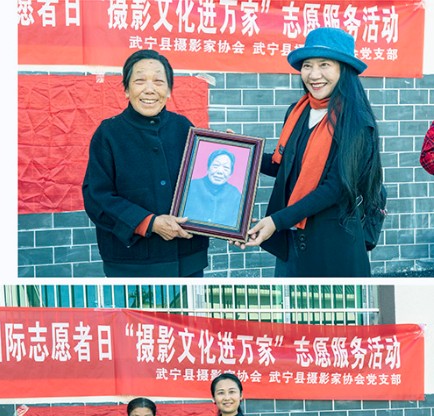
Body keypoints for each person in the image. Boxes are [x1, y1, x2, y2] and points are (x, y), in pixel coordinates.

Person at [238, 27, 383, 277]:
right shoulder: (297, 112)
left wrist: (276, 221)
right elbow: (284, 167)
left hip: (333, 247)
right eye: (307, 65)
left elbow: (336, 187)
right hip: (292, 244)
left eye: (324, 65)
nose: (314, 75)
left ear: (344, 70)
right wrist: (241, 153)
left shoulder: (357, 122)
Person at [82, 49, 208, 278]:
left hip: (188, 259)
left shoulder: (184, 127)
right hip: (132, 264)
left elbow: (205, 183)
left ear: (168, 91)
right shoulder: (108, 133)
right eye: (140, 81)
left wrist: (228, 149)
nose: (150, 89)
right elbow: (97, 197)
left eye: (159, 82)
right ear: (126, 89)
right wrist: (150, 223)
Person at [181, 149, 242, 227]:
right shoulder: (190, 186)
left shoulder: (235, 195)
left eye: (226, 168)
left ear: (231, 173)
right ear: (208, 167)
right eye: (216, 165)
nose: (220, 171)